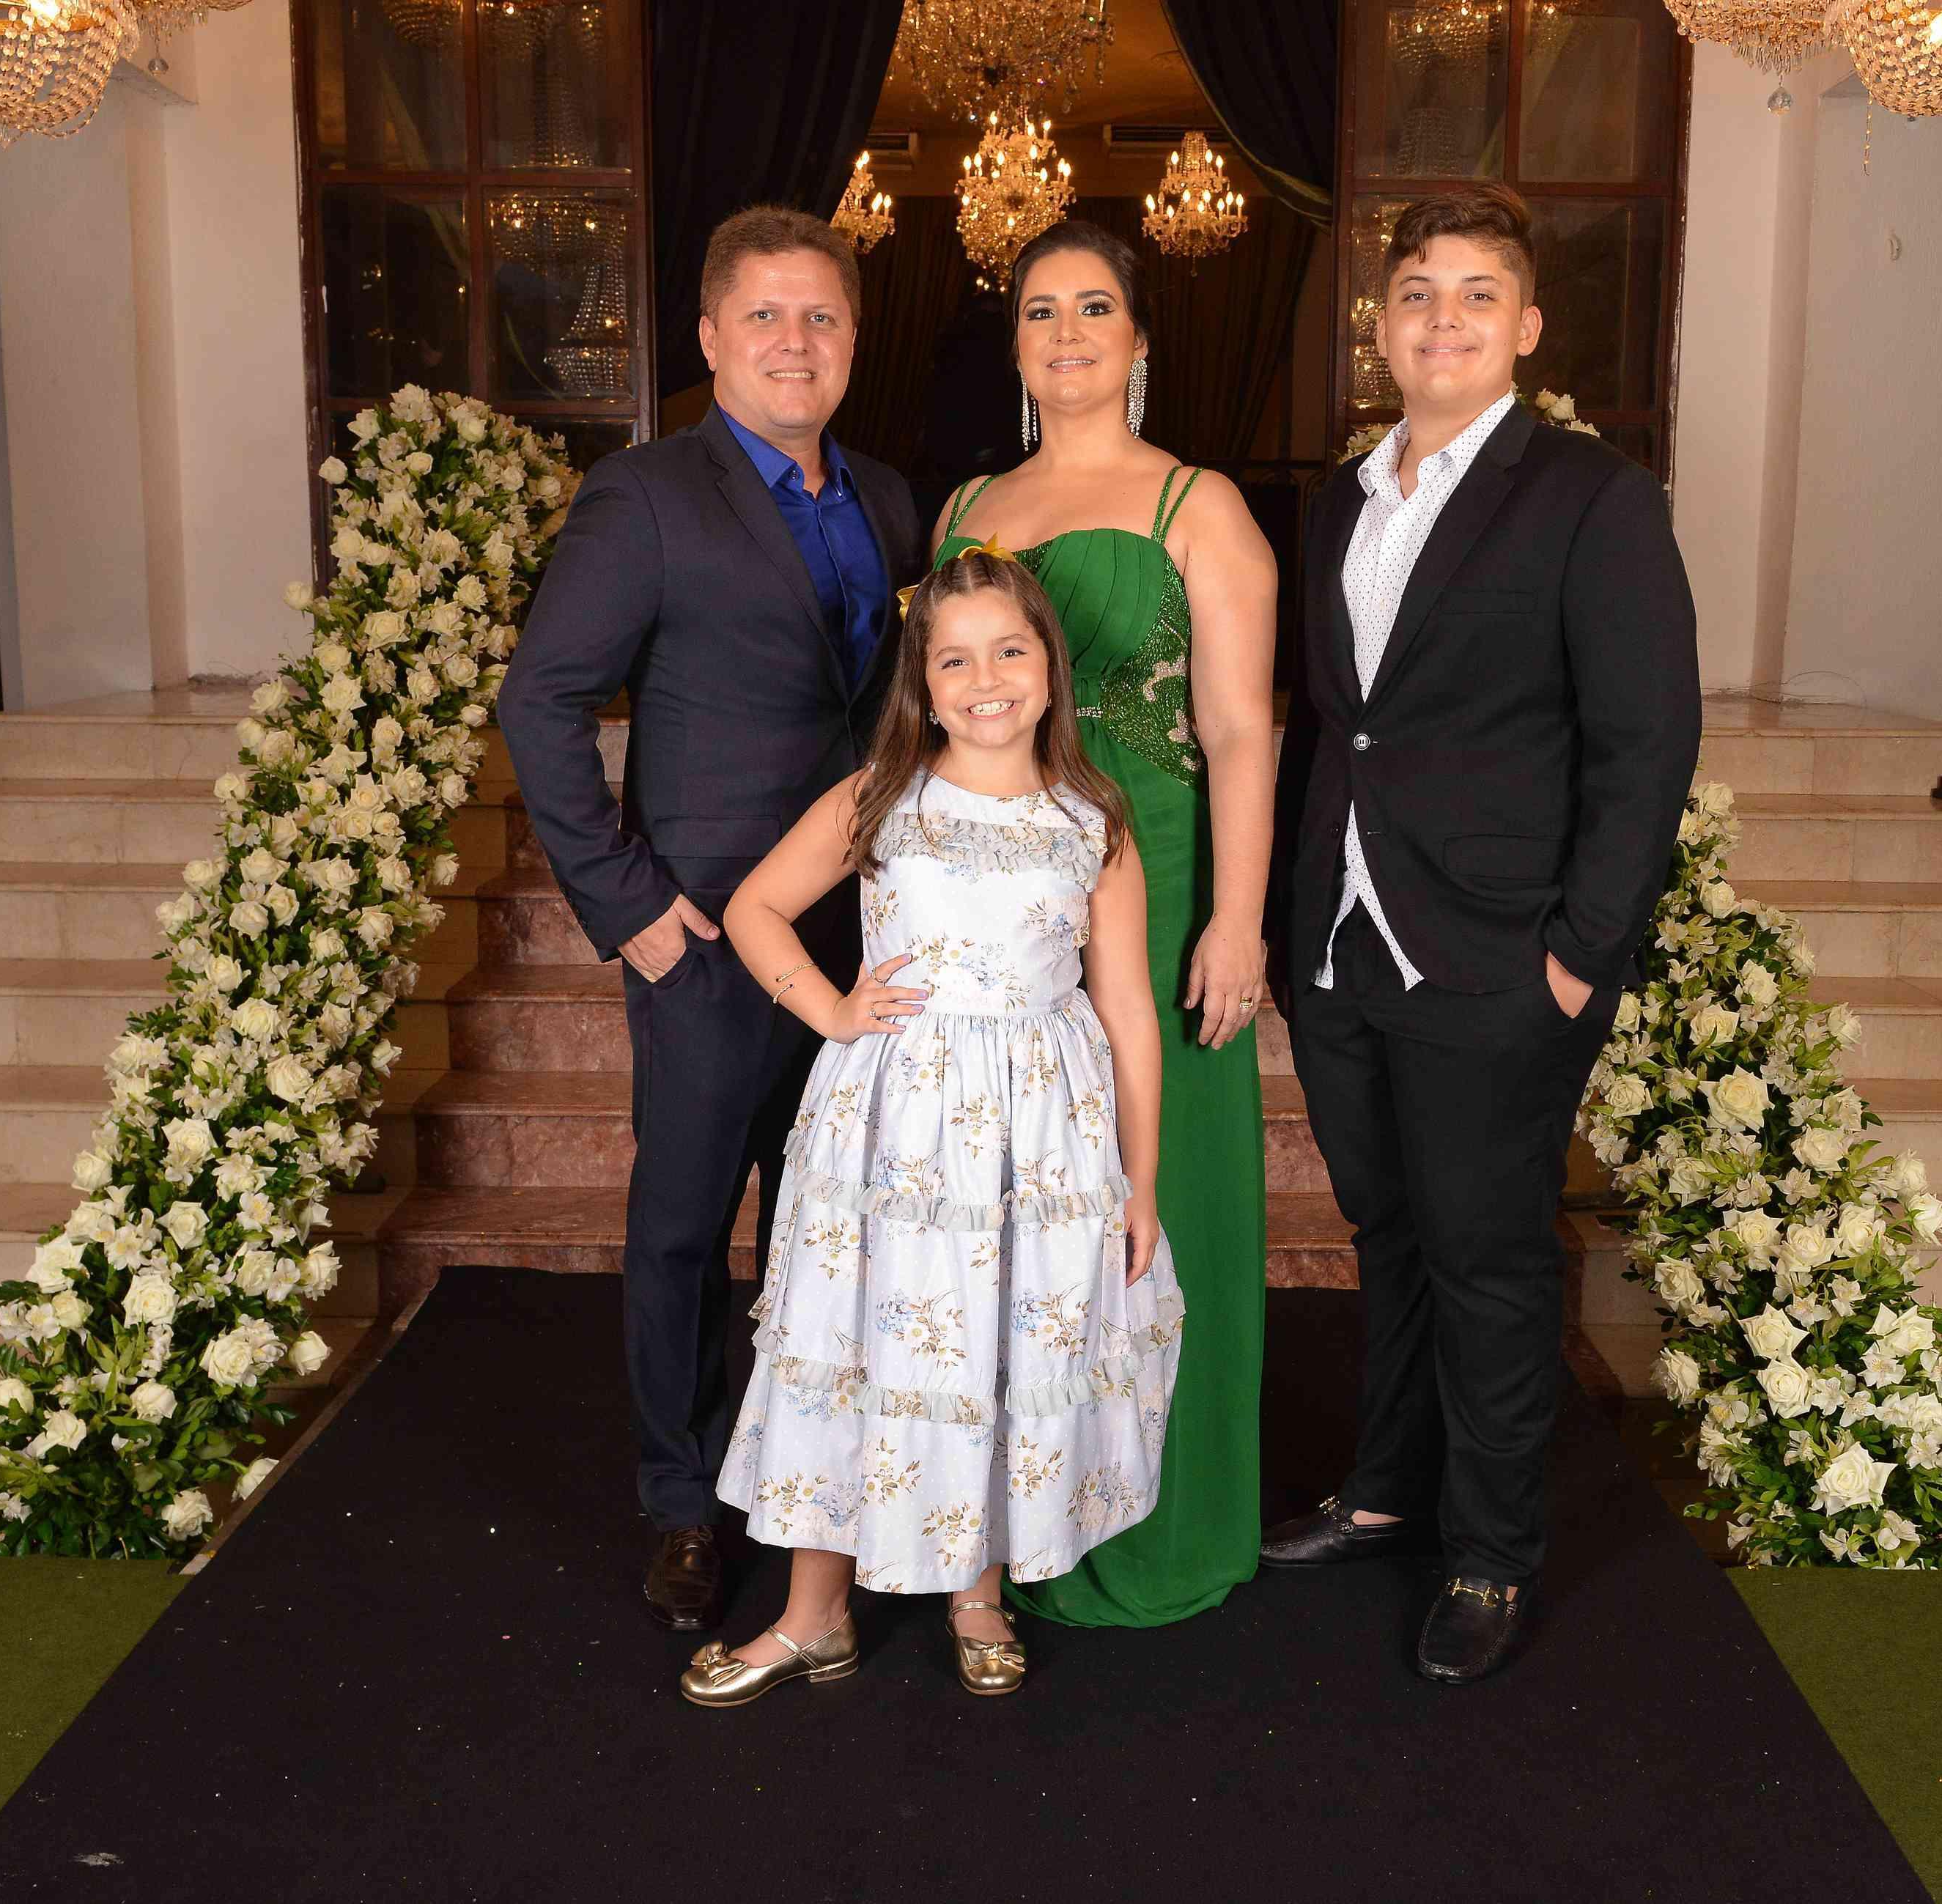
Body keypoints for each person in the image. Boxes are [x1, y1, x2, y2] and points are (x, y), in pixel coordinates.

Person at [1262, 184, 1702, 1684]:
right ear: (1380, 326)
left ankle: (1491, 1553)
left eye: (1473, 294)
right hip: (1343, 943)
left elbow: (1645, 740)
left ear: (1524, 326)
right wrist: (1293, 926)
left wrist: (1578, 952)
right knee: (1390, 1238)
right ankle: (1388, 1491)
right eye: (1415, 294)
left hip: (1503, 953)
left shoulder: (1591, 495)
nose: (1439, 318)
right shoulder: (1342, 499)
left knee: (1488, 1257)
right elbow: (1342, 726)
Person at [497, 206, 926, 1634]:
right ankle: (684, 1500)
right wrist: (627, 904)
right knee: (685, 1228)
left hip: (861, 934)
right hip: (701, 938)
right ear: (708, 337)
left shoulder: (888, 498)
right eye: (764, 316)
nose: (794, 343)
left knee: (832, 1220)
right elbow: (540, 701)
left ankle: (811, 1477)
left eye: (820, 317)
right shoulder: (644, 497)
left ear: (852, 339)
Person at [678, 547, 1178, 1708]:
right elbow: (756, 907)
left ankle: (976, 1591)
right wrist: (832, 1010)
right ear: (924, 684)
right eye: (955, 660)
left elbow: (1128, 1008)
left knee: (1001, 1338)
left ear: (1050, 667)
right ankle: (813, 1612)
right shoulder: (881, 800)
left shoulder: (1091, 820)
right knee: (858, 1341)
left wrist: (1139, 1178)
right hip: (893, 1134)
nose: (986, 678)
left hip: (1039, 1137)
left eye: (1009, 650)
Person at [931, 218, 1278, 1628]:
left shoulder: (1199, 503)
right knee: (1025, 1198)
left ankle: (1170, 1518)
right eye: (1039, 311)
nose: (1065, 334)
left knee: (1162, 1189)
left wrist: (1238, 919)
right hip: (1003, 904)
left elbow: (1241, 731)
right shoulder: (968, 505)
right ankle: (1024, 1521)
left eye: (1093, 309)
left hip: (1164, 878)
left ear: (1138, 339)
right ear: (1013, 342)